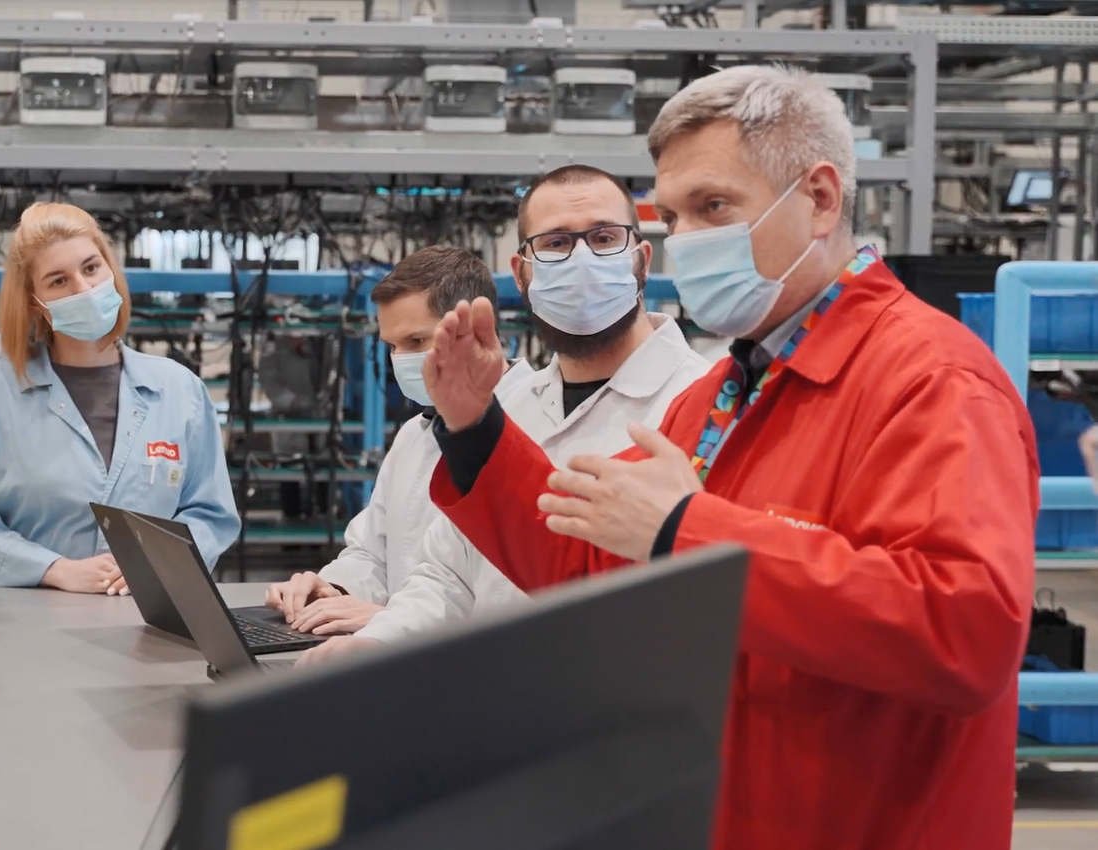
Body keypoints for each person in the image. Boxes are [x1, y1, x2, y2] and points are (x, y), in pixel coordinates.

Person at [424, 66, 1037, 850]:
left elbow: (963, 633)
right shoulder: (722, 392)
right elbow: (592, 558)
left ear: (818, 199)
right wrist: (476, 428)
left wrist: (688, 528)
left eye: (713, 207)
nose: (683, 241)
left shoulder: (930, 383)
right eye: (671, 216)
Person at [302, 166, 710, 662]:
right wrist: (374, 645)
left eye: (604, 238)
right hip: (489, 706)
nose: (582, 259)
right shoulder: (505, 409)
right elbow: (447, 573)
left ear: (641, 260)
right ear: (522, 273)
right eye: (556, 243)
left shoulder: (703, 404)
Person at [0, 202, 239, 593]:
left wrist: (159, 562)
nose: (84, 289)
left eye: (90, 268)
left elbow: (211, 515)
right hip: (29, 620)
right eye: (58, 281)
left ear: (110, 269)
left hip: (150, 614)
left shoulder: (180, 391)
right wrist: (52, 569)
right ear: (36, 303)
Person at [263, 247, 533, 636]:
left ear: (476, 325)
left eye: (416, 340)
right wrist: (333, 589)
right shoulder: (414, 435)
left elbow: (518, 592)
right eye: (392, 346)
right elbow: (372, 550)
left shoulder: (538, 422)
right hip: (398, 653)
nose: (401, 360)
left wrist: (395, 619)